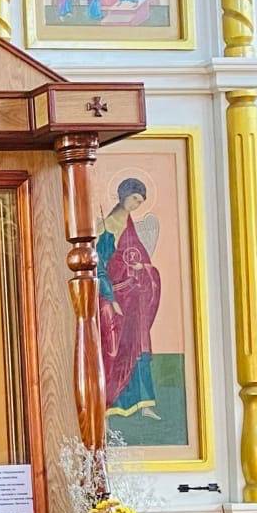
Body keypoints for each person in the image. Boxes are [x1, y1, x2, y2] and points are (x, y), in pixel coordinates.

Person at [99, 178, 163, 422]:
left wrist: (142, 268)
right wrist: (111, 298)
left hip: (136, 302)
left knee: (140, 350)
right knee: (116, 350)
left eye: (140, 201)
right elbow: (99, 268)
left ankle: (145, 404)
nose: (137, 204)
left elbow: (145, 264)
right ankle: (111, 403)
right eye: (135, 198)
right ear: (124, 194)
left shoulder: (131, 228)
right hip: (116, 300)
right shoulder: (106, 227)